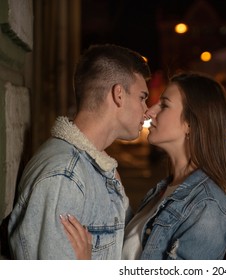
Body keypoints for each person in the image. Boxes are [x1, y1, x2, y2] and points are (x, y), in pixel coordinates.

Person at [61, 71, 226, 259]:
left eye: (164, 105)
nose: (150, 112)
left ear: (190, 124)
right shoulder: (165, 190)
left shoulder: (207, 206)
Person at [7, 44, 151, 259]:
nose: (146, 109)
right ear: (118, 94)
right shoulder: (65, 177)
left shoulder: (94, 169)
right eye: (142, 97)